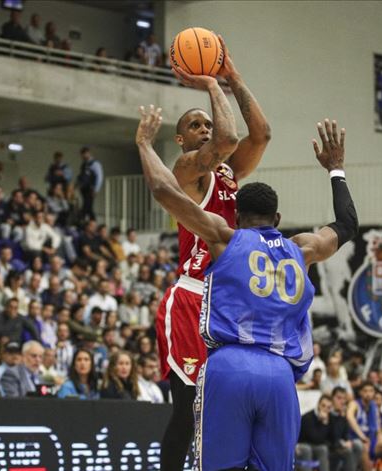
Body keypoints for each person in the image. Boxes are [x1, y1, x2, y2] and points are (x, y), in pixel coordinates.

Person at [137, 106, 358, 470]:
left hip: (230, 366)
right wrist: (335, 168)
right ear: (278, 219)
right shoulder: (302, 250)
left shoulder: (225, 238)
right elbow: (348, 223)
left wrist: (145, 144)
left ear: (236, 217)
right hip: (280, 374)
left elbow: (163, 188)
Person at [154, 36, 273, 470]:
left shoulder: (226, 172)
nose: (205, 129)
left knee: (226, 410)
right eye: (196, 125)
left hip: (228, 302)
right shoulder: (185, 169)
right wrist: (210, 83)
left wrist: (235, 78)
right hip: (191, 299)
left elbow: (260, 134)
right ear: (181, 136)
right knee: (186, 411)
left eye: (207, 123)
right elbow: (226, 137)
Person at [297, 395, 335, 471]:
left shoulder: (330, 417)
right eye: (323, 406)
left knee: (323, 449)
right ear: (318, 404)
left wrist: (326, 422)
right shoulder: (308, 417)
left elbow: (334, 438)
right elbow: (316, 438)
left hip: (315, 446)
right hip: (301, 445)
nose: (325, 409)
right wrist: (324, 423)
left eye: (328, 407)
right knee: (307, 449)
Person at [76, 146, 103, 220]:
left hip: (90, 188)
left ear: (88, 153)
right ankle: (92, 221)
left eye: (85, 154)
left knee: (87, 205)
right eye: (82, 154)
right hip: (84, 188)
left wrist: (96, 189)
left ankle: (82, 220)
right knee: (88, 207)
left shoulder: (95, 163)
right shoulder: (84, 164)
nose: (84, 156)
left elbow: (99, 177)